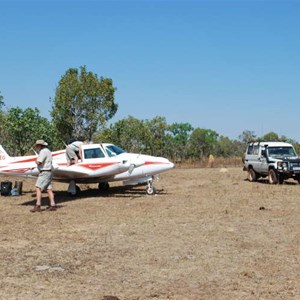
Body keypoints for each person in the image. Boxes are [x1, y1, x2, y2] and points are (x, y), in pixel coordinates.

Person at [30, 139, 56, 212]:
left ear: (40, 145)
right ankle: (52, 205)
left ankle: (38, 205)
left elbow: (39, 162)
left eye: (37, 145)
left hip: (44, 172)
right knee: (49, 189)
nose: (37, 147)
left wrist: (36, 161)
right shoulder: (48, 151)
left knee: (38, 188)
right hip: (49, 171)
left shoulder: (43, 151)